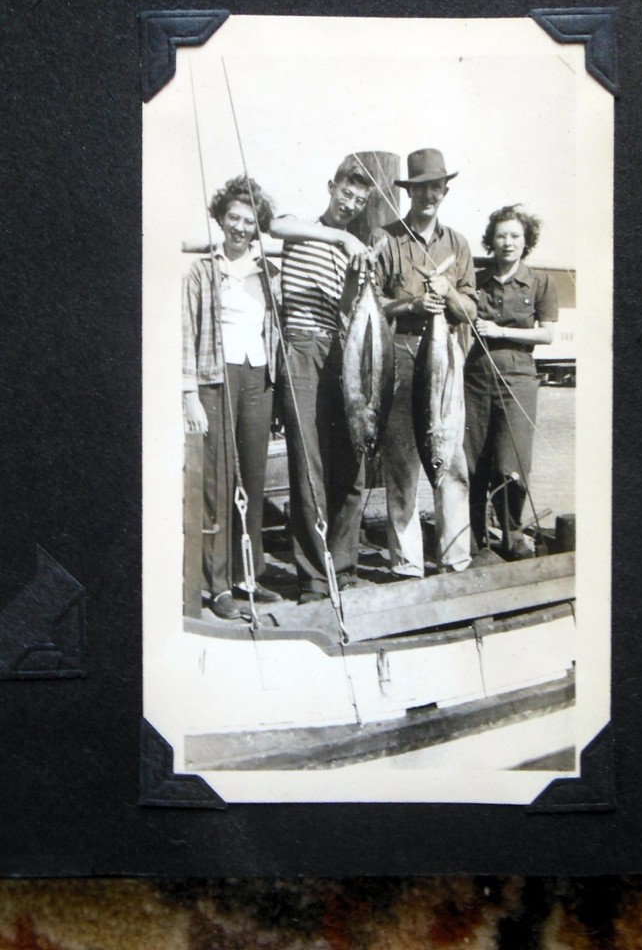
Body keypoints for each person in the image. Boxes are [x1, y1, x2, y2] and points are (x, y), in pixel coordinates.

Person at [268, 156, 371, 604]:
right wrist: (341, 236)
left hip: (339, 351)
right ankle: (312, 577)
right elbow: (275, 226)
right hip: (301, 348)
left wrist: (356, 276)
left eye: (359, 201)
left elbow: (347, 307)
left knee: (352, 462)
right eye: (346, 194)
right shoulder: (305, 226)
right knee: (308, 465)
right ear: (331, 188)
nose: (350, 204)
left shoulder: (353, 248)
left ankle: (342, 566)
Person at [373, 148, 477, 578]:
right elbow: (373, 303)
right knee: (402, 463)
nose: (428, 195)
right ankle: (407, 564)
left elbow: (469, 309)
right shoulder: (388, 240)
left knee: (450, 459)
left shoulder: (458, 244)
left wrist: (447, 293)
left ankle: (455, 558)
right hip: (400, 356)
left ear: (444, 190)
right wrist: (413, 301)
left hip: (445, 358)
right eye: (420, 188)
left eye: (435, 187)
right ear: (409, 192)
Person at [183, 175, 282, 619]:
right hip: (215, 379)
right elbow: (186, 334)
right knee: (217, 483)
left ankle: (249, 576)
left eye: (250, 220)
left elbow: (274, 331)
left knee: (254, 479)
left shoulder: (268, 272)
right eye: (234, 218)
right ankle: (217, 583)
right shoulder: (203, 271)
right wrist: (189, 395)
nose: (241, 227)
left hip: (258, 377)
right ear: (221, 219)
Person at [463, 205, 558, 561]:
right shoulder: (476, 278)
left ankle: (511, 536)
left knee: (512, 462)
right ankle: (474, 541)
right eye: (501, 235)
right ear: (492, 240)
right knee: (473, 460)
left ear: (525, 241)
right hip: (475, 376)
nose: (507, 243)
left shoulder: (540, 282)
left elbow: (547, 335)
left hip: (519, 377)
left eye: (515, 236)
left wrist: (500, 330)